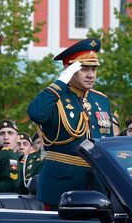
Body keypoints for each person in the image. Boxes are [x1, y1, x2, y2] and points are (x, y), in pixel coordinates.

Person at [27, 38, 112, 207]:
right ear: (68, 70)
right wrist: (60, 83)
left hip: (96, 184)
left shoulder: (100, 100)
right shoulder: (54, 96)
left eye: (94, 69)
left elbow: (106, 141)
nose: (91, 74)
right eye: (84, 69)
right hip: (61, 184)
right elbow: (36, 113)